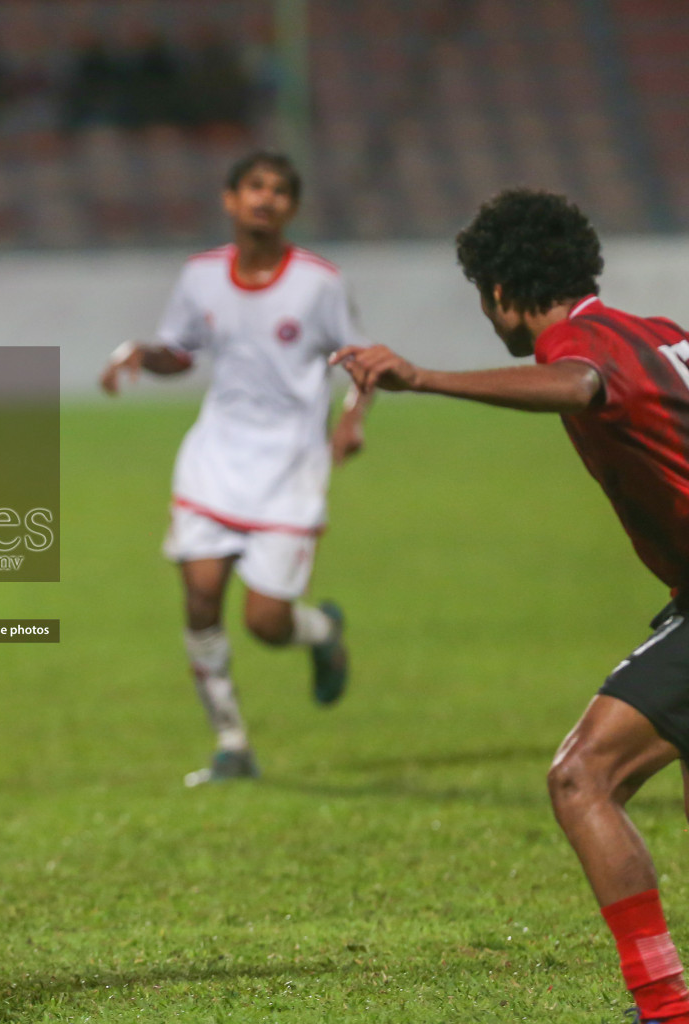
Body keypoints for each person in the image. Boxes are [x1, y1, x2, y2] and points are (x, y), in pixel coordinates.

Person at [334, 188, 689, 1024]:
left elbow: (581, 386)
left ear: (498, 294)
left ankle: (666, 1010)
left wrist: (423, 376)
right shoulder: (663, 333)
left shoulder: (580, 345)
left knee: (582, 778)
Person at [100, 151, 365, 786]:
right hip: (215, 460)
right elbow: (181, 354)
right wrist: (142, 353)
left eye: (278, 191)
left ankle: (320, 631)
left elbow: (357, 359)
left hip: (290, 468)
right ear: (230, 198)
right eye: (254, 188)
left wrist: (352, 418)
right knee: (200, 597)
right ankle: (231, 742)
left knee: (267, 623)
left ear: (292, 208)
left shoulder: (319, 283)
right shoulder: (200, 277)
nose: (264, 200)